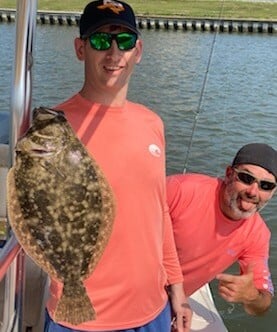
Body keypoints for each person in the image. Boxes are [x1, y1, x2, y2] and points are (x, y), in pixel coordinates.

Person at [44, 1, 191, 331]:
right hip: (78, 314)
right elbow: (37, 214)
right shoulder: (52, 127)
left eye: (123, 41)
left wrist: (177, 289)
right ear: (80, 49)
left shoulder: (152, 123)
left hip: (151, 310)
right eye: (99, 41)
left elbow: (159, 212)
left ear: (138, 50)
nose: (113, 54)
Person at [167, 143, 277, 316]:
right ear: (228, 174)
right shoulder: (181, 190)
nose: (253, 192)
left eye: (266, 186)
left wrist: (251, 296)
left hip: (169, 304)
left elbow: (262, 305)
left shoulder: (258, 235)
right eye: (246, 178)